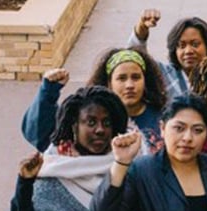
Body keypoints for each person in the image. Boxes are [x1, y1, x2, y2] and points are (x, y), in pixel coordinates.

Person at [22, 47, 167, 154]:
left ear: (145, 81)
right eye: (121, 78)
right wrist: (48, 92)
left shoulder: (165, 118)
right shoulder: (88, 115)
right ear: (109, 83)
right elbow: (38, 134)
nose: (129, 85)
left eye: (135, 77)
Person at [129, 9, 207, 99]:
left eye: (195, 44)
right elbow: (134, 58)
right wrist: (142, 28)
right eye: (181, 46)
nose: (188, 51)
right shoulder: (163, 74)